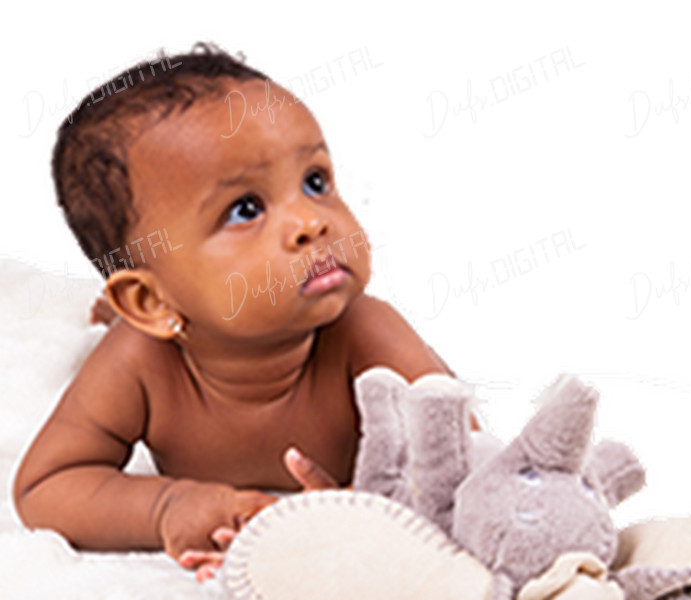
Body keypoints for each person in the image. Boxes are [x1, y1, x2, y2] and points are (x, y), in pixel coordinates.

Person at [14, 43, 476, 582]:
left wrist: (364, 507)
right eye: (246, 209)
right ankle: (113, 311)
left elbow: (463, 456)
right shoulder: (140, 362)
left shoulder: (363, 331)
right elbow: (44, 487)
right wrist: (167, 506)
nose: (311, 221)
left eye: (315, 182)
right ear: (152, 303)